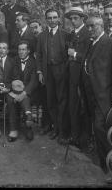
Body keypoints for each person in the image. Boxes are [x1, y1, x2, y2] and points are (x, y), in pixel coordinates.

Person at [83, 16, 112, 174]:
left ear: (101, 26)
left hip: (108, 97)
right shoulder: (92, 43)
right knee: (100, 129)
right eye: (87, 26)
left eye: (92, 26)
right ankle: (107, 164)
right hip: (94, 96)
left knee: (103, 129)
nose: (89, 29)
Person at [36, 8, 70, 145]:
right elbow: (38, 55)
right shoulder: (42, 36)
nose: (52, 20)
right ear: (46, 19)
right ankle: (54, 128)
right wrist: (40, 72)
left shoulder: (66, 35)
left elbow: (70, 54)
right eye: (49, 18)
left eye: (54, 17)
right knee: (50, 101)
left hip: (61, 71)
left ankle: (62, 131)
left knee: (62, 101)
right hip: (47, 71)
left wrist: (65, 71)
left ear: (59, 19)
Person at [64, 7, 92, 151]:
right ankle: (74, 137)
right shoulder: (71, 34)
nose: (73, 21)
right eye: (71, 19)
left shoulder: (87, 34)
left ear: (82, 19)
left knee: (81, 108)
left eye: (76, 18)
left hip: (82, 78)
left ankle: (83, 141)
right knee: (73, 106)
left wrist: (74, 55)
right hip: (71, 76)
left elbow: (89, 58)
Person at [9, 41, 38, 142]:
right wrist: (17, 90)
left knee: (25, 98)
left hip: (28, 92)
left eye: (23, 49)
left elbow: (34, 81)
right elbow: (12, 77)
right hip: (15, 89)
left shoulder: (33, 62)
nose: (21, 52)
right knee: (11, 99)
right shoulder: (14, 60)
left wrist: (24, 92)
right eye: (19, 49)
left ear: (28, 51)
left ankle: (28, 127)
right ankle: (14, 129)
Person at [29, 18, 52, 135]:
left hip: (47, 73)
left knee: (47, 99)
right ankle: (39, 123)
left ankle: (48, 124)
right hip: (35, 73)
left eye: (36, 27)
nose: (34, 30)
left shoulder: (46, 38)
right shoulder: (32, 41)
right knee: (37, 97)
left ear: (41, 27)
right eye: (31, 28)